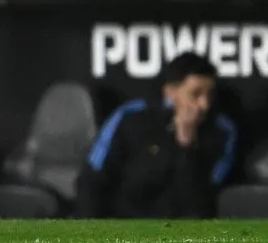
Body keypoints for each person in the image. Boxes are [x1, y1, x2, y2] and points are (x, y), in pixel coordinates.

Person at [76, 53, 237, 218]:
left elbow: (201, 203)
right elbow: (92, 180)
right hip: (124, 229)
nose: (205, 105)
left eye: (210, 95)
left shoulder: (223, 132)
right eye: (195, 94)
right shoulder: (130, 117)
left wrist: (186, 145)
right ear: (171, 93)